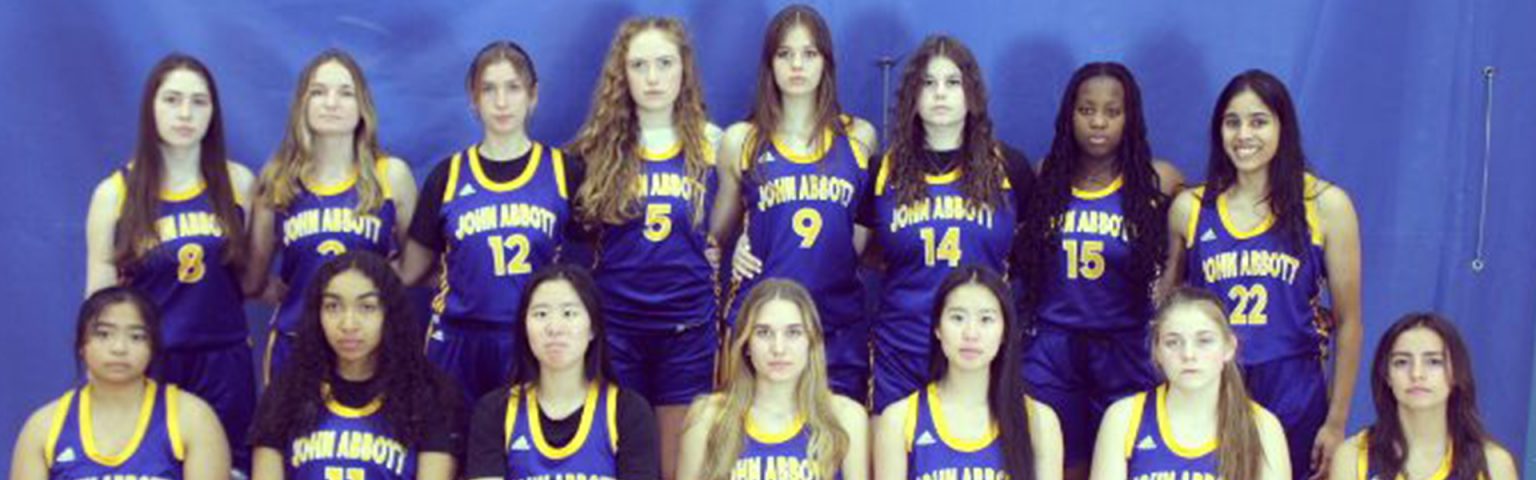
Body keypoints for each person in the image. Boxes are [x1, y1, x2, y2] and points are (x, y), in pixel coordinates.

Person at [1162, 69, 1363, 479]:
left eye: (1258, 122)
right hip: (1214, 383)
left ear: (1282, 127)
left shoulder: (1326, 205)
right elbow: (1167, 307)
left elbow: (1350, 322)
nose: (1244, 135)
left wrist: (1336, 420)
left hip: (1294, 386)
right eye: (1232, 122)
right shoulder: (1191, 208)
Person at [82, 52, 257, 472]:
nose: (185, 113)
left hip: (224, 362)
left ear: (213, 112)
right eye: (172, 99)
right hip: (152, 360)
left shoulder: (239, 183)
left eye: (199, 102)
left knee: (228, 470)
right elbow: (99, 302)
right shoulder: (114, 194)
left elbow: (252, 276)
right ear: (151, 108)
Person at [568, 17, 722, 480]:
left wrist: (717, 246)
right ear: (623, 74)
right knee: (626, 463)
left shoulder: (714, 144)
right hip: (618, 326)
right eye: (639, 65)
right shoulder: (595, 150)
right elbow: (578, 237)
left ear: (684, 70)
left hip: (687, 327)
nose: (653, 77)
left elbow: (727, 225)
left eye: (664, 63)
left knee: (679, 466)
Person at [1014, 62, 1182, 479]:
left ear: (1130, 117)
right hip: (1053, 347)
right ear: (1069, 115)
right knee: (1057, 465)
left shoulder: (1159, 180)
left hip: (1126, 347)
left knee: (1122, 465)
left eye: (1112, 111)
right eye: (1087, 110)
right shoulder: (1047, 174)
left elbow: (1184, 254)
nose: (1099, 122)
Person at [397, 41, 583, 405]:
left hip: (533, 338)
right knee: (448, 439)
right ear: (473, 98)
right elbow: (412, 271)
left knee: (525, 440)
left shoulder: (564, 172)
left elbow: (595, 258)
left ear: (533, 95)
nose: (501, 102)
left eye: (513, 88)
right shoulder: (448, 176)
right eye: (489, 89)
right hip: (457, 340)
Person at [712, 3, 880, 402]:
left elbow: (865, 230)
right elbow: (716, 236)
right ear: (770, 64)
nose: (797, 65)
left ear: (826, 62)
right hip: (763, 321)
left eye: (809, 53)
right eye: (785, 54)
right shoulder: (741, 140)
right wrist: (737, 248)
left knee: (839, 433)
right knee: (755, 434)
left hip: (836, 319)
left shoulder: (860, 137)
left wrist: (838, 253)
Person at [244, 49, 418, 384]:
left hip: (368, 347)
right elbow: (253, 279)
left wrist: (379, 281)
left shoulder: (390, 175)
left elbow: (418, 266)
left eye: (345, 93)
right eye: (319, 92)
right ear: (303, 105)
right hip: (296, 343)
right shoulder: (278, 179)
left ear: (362, 107)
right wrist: (295, 293)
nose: (332, 103)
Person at [251, 252, 461, 480]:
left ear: (390, 314)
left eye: (367, 307)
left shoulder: (428, 393)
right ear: (316, 314)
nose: (348, 324)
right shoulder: (286, 392)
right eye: (333, 306)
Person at [9, 287, 229, 480]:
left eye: (136, 337)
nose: (119, 348)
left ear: (153, 347)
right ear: (81, 346)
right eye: (104, 334)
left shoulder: (192, 417)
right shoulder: (44, 427)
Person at [464, 265, 659, 480]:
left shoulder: (628, 411)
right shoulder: (495, 411)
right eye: (541, 314)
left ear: (593, 327)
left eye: (569, 313)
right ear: (524, 327)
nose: (554, 328)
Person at [874, 266, 1063, 480]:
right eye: (957, 318)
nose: (971, 333)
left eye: (986, 319)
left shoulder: (1040, 422)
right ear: (937, 328)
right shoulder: (899, 421)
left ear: (1005, 331)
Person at [1090, 287, 1289, 480]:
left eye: (1204, 341)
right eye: (1173, 342)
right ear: (1157, 351)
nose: (1188, 354)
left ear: (1229, 347)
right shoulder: (1123, 419)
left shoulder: (1263, 428)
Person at [677, 279, 868, 480]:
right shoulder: (707, 418)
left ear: (811, 341)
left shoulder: (845, 418)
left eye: (793, 333)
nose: (778, 348)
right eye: (764, 333)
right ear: (747, 343)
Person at [1329, 313, 1519, 480]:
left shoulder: (1494, 464)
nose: (1417, 374)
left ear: (1456, 372)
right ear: (1386, 375)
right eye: (1402, 362)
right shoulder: (1353, 457)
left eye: (1434, 362)